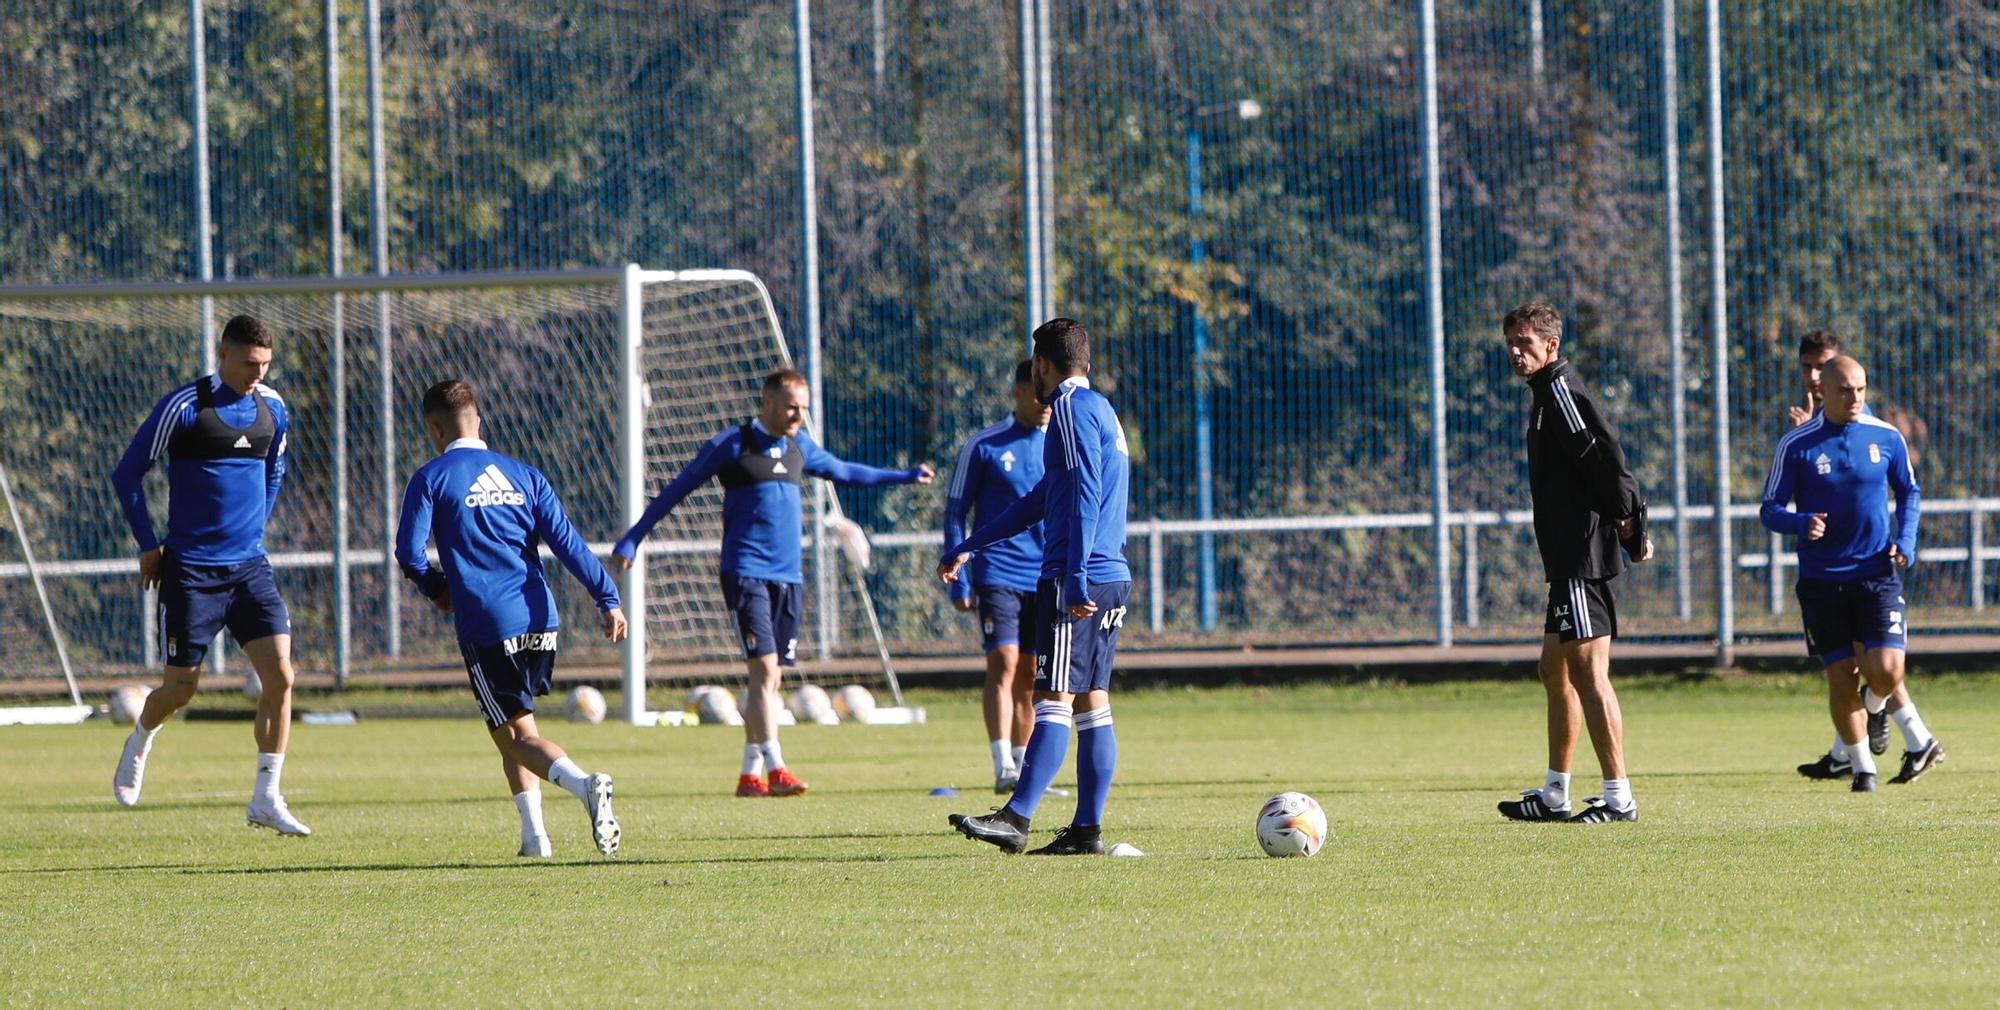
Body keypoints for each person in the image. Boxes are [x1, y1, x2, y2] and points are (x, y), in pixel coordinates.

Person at [614, 369, 933, 797]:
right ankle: (778, 768)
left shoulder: (799, 446)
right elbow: (678, 489)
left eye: (803, 406)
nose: (799, 413)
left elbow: (844, 471)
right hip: (746, 572)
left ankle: (749, 775)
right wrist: (634, 537)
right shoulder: (734, 444)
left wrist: (905, 476)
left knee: (771, 679)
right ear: (768, 403)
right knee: (764, 670)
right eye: (791, 406)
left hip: (789, 578)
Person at [396, 379, 625, 857]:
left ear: (434, 429)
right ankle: (534, 838)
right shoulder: (524, 475)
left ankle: (586, 786)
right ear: (478, 420)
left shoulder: (432, 478)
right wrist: (607, 598)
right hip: (541, 621)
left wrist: (437, 589)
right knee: (517, 730)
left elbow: (408, 552)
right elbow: (569, 544)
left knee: (517, 736)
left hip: (488, 624)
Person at [109, 314, 310, 835]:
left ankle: (266, 796)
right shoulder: (186, 407)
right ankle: (141, 738)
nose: (257, 374)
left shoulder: (274, 408)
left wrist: (255, 532)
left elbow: (276, 469)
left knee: (282, 677)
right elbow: (127, 473)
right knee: (180, 690)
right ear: (223, 355)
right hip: (192, 572)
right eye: (249, 363)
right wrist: (150, 546)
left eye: (265, 365)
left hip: (249, 569)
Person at [943, 318, 1132, 855]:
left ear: (1043, 366)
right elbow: (1045, 496)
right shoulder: (1103, 411)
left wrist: (1072, 576)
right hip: (1112, 573)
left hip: (1080, 574)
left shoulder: (1069, 410)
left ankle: (1017, 816)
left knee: (1052, 698)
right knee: (1093, 703)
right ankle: (1086, 831)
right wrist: (972, 543)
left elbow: (1084, 497)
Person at [1495, 301, 1653, 824]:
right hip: (1564, 558)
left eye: (1526, 343)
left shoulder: (1560, 391)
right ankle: (1556, 793)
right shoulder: (1544, 394)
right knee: (1553, 671)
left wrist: (1631, 521)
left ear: (1552, 346)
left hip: (1582, 557)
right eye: (1512, 344)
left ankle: (1618, 797)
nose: (1518, 353)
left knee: (1590, 675)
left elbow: (1606, 457)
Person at [1760, 356, 1944, 791]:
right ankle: (1863, 770)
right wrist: (1800, 523)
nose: (1855, 398)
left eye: (1861, 389)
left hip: (1877, 573)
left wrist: (1908, 541)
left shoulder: (1886, 437)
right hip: (1822, 581)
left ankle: (1875, 710)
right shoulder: (1798, 444)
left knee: (1886, 671)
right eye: (1846, 390)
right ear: (1823, 390)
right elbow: (1769, 509)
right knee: (1841, 675)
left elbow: (1909, 492)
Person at [943, 359, 1049, 793]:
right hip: (997, 570)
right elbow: (955, 511)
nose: (1046, 404)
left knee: (1030, 672)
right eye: (1037, 395)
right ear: (1018, 393)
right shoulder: (985, 444)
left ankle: (1022, 771)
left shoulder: (1059, 444)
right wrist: (961, 574)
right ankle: (1001, 761)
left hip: (1045, 575)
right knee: (1002, 663)